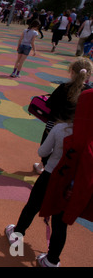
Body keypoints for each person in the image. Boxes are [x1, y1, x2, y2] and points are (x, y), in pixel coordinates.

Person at [5, 118, 74, 267]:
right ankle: (52, 259)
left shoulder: (61, 129)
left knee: (32, 206)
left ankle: (18, 233)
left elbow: (42, 151)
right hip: (71, 185)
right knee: (60, 222)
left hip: (50, 175)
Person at [38, 87, 93, 267]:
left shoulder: (70, 134)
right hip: (77, 185)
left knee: (59, 220)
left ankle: (52, 259)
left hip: (67, 183)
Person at [33, 58, 92, 174]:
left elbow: (49, 104)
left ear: (72, 72)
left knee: (47, 146)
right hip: (75, 129)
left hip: (55, 124)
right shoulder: (89, 92)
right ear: (88, 74)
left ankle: (44, 166)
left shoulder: (63, 87)